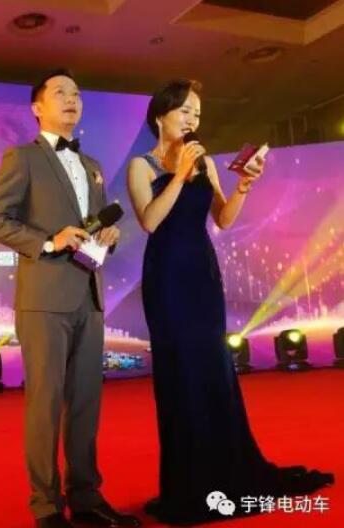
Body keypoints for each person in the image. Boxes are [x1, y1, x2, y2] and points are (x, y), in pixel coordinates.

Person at [126, 78, 334, 525]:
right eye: (185, 110)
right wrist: (178, 175)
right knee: (180, 374)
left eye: (197, 114)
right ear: (161, 115)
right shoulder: (142, 166)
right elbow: (150, 221)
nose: (192, 119)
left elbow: (221, 217)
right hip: (167, 277)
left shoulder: (205, 163)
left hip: (202, 274)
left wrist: (243, 186)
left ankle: (227, 473)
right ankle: (188, 484)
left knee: (214, 369)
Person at [0, 69, 140, 528]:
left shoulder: (91, 165)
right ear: (37, 107)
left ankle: (86, 497)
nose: (72, 100)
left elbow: (96, 226)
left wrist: (108, 236)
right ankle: (47, 506)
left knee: (86, 402)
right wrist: (50, 241)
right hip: (44, 299)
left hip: (89, 296)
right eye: (60, 93)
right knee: (46, 404)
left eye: (77, 94)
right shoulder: (23, 158)